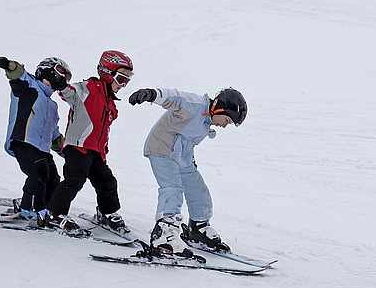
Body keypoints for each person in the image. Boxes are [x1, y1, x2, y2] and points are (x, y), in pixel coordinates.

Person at [127, 86, 247, 254]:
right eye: (227, 120)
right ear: (219, 108)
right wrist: (152, 94)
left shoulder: (207, 120)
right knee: (172, 189)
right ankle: (164, 234)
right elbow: (174, 98)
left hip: (182, 158)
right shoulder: (195, 105)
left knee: (198, 190)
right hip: (161, 149)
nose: (225, 126)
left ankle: (198, 228)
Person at [47, 50, 132, 234]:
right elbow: (69, 93)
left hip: (96, 152)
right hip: (78, 147)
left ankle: (106, 213)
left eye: (127, 80)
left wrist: (103, 151)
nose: (123, 85)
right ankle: (55, 213)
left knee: (107, 182)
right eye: (121, 78)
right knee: (74, 180)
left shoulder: (110, 102)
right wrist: (61, 84)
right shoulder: (89, 88)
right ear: (107, 73)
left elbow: (103, 130)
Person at [0, 56, 72, 220]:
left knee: (53, 177)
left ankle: (49, 209)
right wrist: (10, 65)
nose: (63, 79)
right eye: (60, 73)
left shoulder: (52, 106)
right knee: (38, 173)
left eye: (66, 77)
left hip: (42, 149)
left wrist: (68, 151)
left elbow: (54, 133)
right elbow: (18, 75)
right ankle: (29, 208)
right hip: (23, 142)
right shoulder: (30, 86)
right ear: (47, 71)